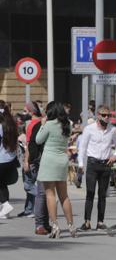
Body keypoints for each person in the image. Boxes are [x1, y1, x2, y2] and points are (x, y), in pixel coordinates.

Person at [35, 102, 77, 238]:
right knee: (64, 195)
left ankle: (55, 226)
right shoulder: (68, 125)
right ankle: (71, 225)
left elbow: (38, 140)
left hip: (49, 160)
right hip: (62, 160)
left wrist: (42, 125)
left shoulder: (49, 124)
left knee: (50, 195)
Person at [78, 105, 116, 231]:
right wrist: (81, 164)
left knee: (102, 195)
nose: (106, 117)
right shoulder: (89, 129)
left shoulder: (112, 130)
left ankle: (100, 222)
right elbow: (83, 148)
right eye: (104, 115)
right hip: (92, 163)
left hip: (106, 164)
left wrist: (115, 155)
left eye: (109, 115)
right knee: (90, 193)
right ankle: (87, 222)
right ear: (98, 115)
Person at [28, 103, 50, 235]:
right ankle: (40, 224)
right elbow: (32, 143)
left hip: (50, 163)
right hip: (41, 163)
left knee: (49, 194)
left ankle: (45, 223)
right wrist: (34, 160)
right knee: (42, 193)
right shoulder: (39, 125)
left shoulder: (52, 126)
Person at [20, 101, 42, 217]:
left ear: (31, 111)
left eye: (26, 110)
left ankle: (45, 200)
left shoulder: (31, 124)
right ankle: (29, 209)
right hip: (40, 157)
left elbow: (28, 145)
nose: (24, 113)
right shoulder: (42, 122)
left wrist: (26, 161)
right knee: (32, 182)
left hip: (32, 158)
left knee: (28, 185)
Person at [0, 100, 19, 219]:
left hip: (1, 159)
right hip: (10, 159)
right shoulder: (11, 123)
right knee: (2, 184)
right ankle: (5, 211)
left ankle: (6, 204)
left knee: (0, 184)